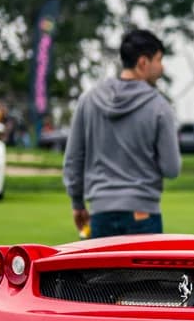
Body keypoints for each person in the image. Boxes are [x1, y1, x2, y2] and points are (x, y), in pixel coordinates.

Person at [64, 28, 182, 238]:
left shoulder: (88, 100)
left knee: (103, 273)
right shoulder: (160, 107)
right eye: (159, 60)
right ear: (143, 63)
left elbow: (73, 159)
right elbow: (171, 168)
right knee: (144, 274)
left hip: (100, 213)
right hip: (144, 213)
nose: (161, 67)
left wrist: (77, 204)